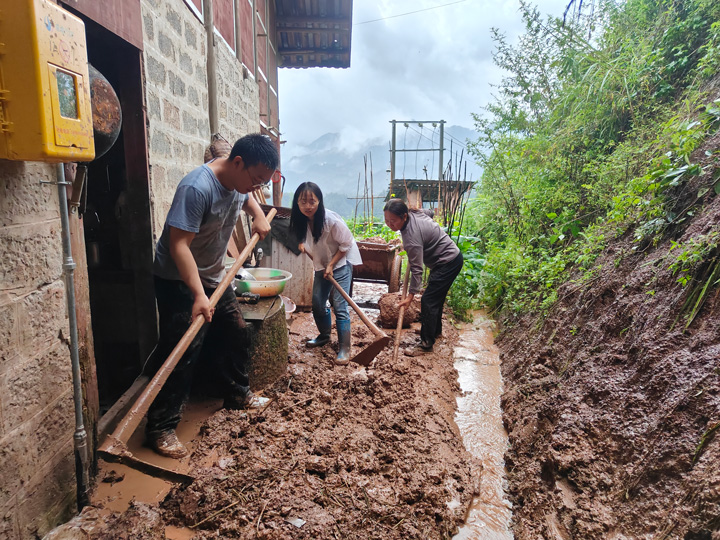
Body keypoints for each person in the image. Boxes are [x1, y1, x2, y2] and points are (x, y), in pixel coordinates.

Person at [145, 133, 279, 458]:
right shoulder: (197, 188)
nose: (256, 187)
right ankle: (160, 427)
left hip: (213, 276)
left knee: (235, 330)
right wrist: (197, 295)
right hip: (179, 278)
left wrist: (258, 213)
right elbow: (178, 246)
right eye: (256, 179)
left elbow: (244, 197)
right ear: (237, 163)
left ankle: (237, 394)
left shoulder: (239, 184)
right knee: (183, 348)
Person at [289, 182, 362, 366]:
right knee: (317, 302)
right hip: (322, 264)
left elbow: (346, 244)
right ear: (297, 203)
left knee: (339, 304)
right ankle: (324, 336)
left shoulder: (331, 221)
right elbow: (303, 237)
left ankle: (345, 348)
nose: (307, 206)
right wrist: (302, 244)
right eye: (303, 201)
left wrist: (331, 264)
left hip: (341, 263)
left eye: (312, 201)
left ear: (319, 201)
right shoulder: (302, 219)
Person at [383, 199, 463, 356]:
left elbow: (417, 269)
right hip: (448, 259)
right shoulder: (416, 213)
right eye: (386, 220)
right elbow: (430, 213)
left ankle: (426, 344)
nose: (389, 224)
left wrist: (410, 296)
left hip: (448, 262)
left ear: (404, 216)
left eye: (393, 221)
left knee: (428, 300)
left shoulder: (411, 238)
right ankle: (435, 331)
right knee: (436, 298)